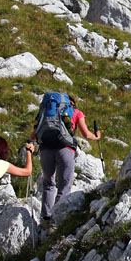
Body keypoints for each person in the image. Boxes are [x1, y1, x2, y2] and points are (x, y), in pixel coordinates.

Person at [30, 93, 101, 226]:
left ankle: (45, 218)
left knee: (48, 183)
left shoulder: (46, 112)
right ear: (70, 103)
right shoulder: (76, 112)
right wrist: (96, 137)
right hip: (66, 149)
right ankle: (56, 221)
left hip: (45, 149)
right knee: (64, 185)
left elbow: (33, 136)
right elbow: (86, 134)